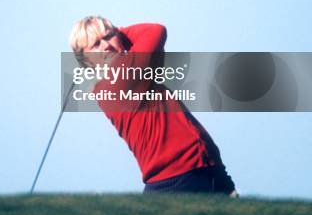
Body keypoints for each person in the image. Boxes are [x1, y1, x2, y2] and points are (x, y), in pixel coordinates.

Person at [70, 16, 238, 196]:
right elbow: (155, 31)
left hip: (206, 169)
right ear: (87, 61)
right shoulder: (119, 79)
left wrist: (115, 36)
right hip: (179, 180)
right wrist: (119, 33)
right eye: (96, 45)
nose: (106, 46)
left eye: (109, 36)